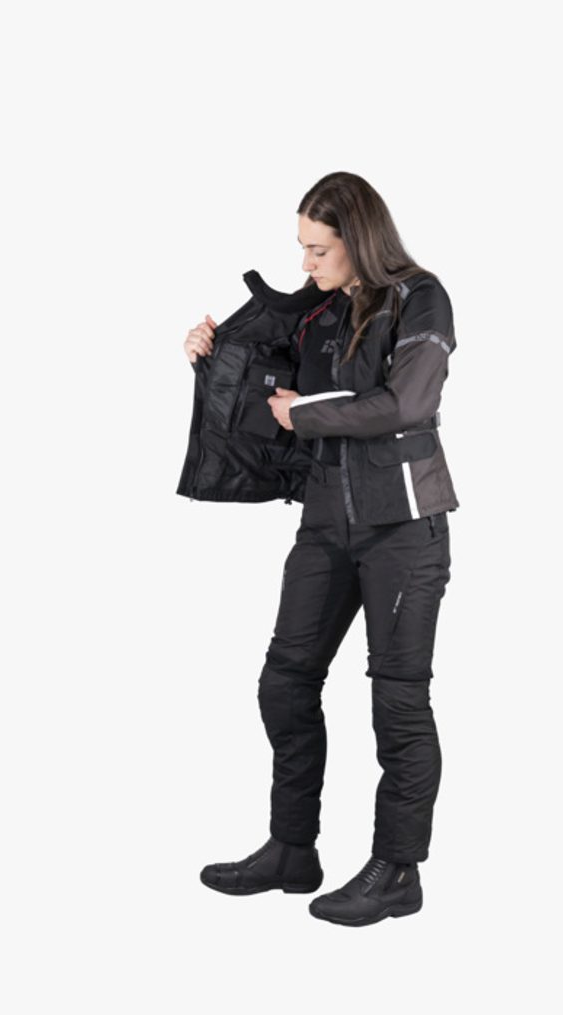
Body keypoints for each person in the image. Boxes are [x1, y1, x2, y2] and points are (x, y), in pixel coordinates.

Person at [183, 171, 458, 927]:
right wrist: (208, 354)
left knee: (397, 700)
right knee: (284, 683)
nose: (306, 264)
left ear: (358, 240)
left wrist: (303, 414)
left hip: (405, 527)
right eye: (302, 248)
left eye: (319, 250)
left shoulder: (422, 298)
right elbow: (258, 389)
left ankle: (396, 871)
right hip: (326, 524)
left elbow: (406, 403)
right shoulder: (319, 311)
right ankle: (291, 850)